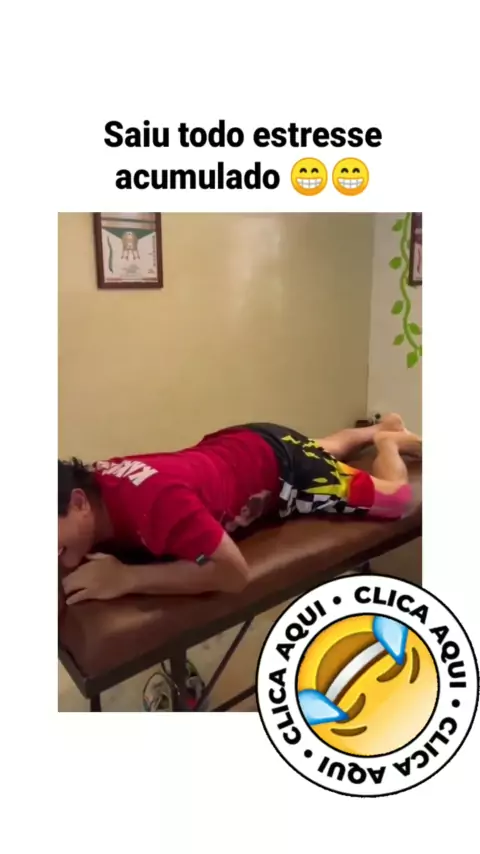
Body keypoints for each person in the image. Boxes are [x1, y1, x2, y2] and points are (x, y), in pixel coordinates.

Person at [58, 414, 420, 605]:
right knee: (325, 449)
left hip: (285, 472)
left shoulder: (158, 504)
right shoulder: (94, 482)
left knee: (397, 499)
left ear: (78, 502)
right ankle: (382, 426)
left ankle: (387, 442)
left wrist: (127, 579)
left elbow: (233, 574)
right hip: (243, 443)